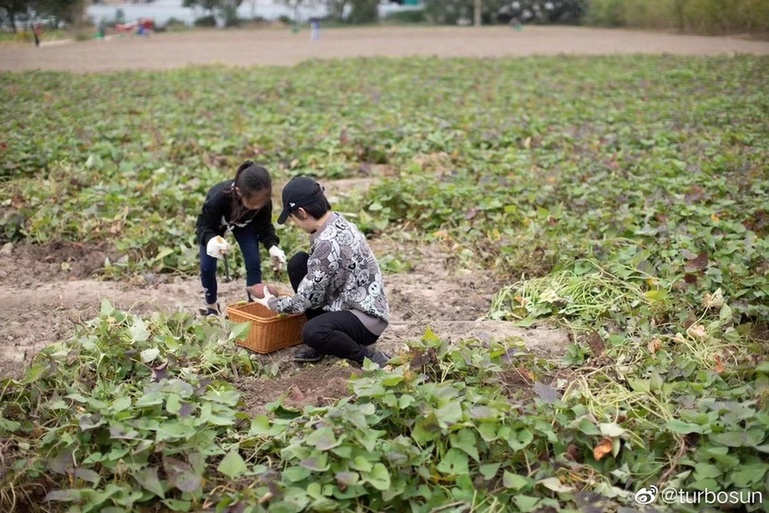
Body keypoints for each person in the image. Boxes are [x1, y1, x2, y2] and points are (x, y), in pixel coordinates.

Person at [248, 176, 390, 368]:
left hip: (366, 318)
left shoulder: (327, 243)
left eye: (292, 217)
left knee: (312, 332)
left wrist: (271, 303)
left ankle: (367, 357)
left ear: (302, 212)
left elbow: (304, 300)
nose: (294, 222)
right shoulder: (335, 221)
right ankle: (324, 344)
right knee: (299, 263)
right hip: (351, 299)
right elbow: (317, 283)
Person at [196, 161, 287, 316]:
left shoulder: (263, 204)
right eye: (252, 204)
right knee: (207, 266)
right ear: (238, 192)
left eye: (261, 204)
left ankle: (254, 306)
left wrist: (272, 246)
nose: (257, 207)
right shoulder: (219, 197)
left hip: (244, 226)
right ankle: (211, 306)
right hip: (215, 227)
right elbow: (203, 225)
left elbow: (264, 227)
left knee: (253, 261)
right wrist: (210, 239)